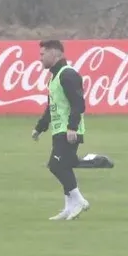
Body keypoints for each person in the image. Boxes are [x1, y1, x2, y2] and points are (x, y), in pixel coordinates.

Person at [32, 40, 114, 221]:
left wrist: (72, 127)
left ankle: (79, 201)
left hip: (68, 131)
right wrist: (40, 128)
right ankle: (69, 207)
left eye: (43, 54)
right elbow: (51, 107)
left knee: (56, 166)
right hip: (59, 129)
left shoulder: (68, 75)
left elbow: (78, 103)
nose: (40, 58)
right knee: (65, 166)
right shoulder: (54, 78)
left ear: (55, 54)